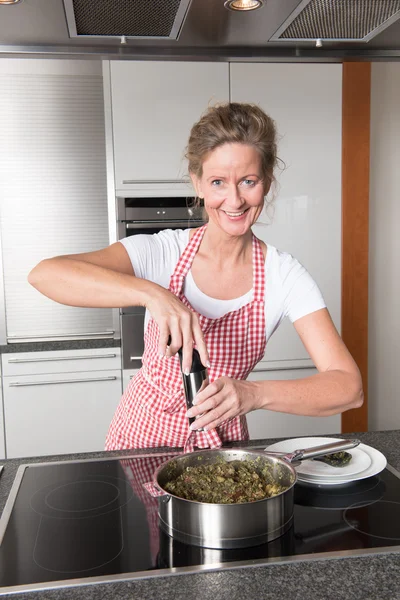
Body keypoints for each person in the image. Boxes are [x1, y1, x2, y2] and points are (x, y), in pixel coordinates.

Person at [28, 102, 363, 452]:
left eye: (248, 181)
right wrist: (154, 295)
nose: (234, 200)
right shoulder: (163, 252)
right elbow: (46, 275)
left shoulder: (285, 276)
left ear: (266, 182)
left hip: (222, 452)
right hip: (139, 445)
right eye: (218, 182)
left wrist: (254, 394)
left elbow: (348, 388)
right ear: (198, 183)